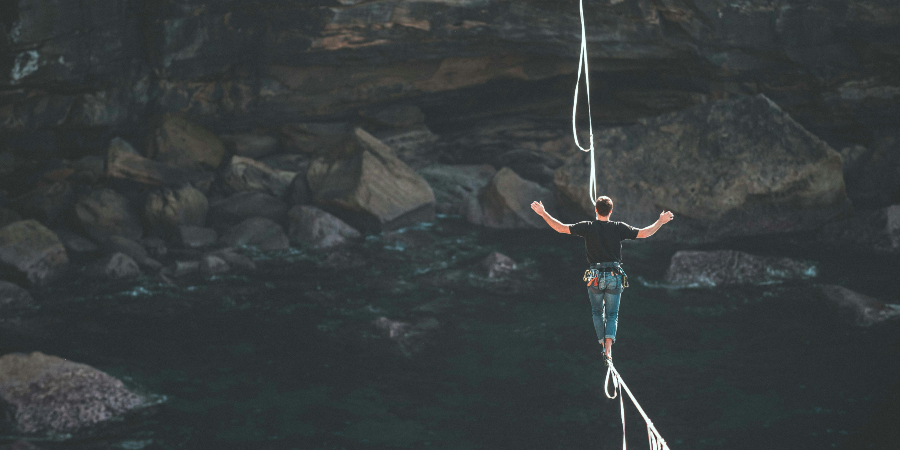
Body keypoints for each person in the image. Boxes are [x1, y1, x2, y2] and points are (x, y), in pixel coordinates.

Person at [530, 196, 673, 361]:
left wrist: (543, 213)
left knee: (597, 312)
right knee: (612, 315)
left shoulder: (588, 227)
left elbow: (560, 228)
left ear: (595, 210)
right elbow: (645, 233)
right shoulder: (619, 227)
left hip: (595, 276)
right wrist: (661, 221)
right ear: (611, 211)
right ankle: (608, 349)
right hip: (614, 274)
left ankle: (602, 344)